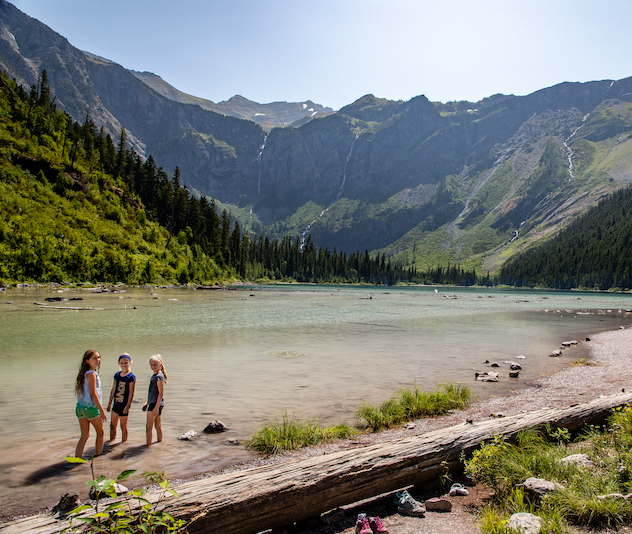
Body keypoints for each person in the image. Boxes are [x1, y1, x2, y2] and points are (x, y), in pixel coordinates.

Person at [74, 349, 107, 458]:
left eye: (99, 357)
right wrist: (101, 411)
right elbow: (94, 394)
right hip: (91, 408)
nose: (98, 360)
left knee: (84, 436)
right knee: (100, 432)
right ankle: (99, 459)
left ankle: (77, 460)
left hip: (80, 408)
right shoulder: (92, 374)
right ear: (87, 361)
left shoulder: (83, 374)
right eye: (94, 358)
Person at [106, 353, 136, 443]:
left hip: (124, 405)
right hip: (116, 404)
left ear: (130, 363)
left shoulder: (131, 377)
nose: (124, 365)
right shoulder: (117, 375)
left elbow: (131, 392)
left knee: (123, 427)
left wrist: (128, 406)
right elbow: (113, 389)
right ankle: (110, 443)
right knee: (112, 425)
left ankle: (123, 445)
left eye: (126, 363)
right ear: (119, 363)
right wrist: (109, 403)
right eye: (122, 363)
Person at [142, 354, 166, 447]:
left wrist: (155, 408)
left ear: (160, 364)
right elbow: (152, 392)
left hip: (155, 404)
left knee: (149, 427)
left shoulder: (159, 376)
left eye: (155, 364)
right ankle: (159, 445)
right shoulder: (156, 375)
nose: (153, 366)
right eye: (151, 365)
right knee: (157, 426)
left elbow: (161, 393)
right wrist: (146, 402)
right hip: (154, 403)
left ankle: (147, 447)